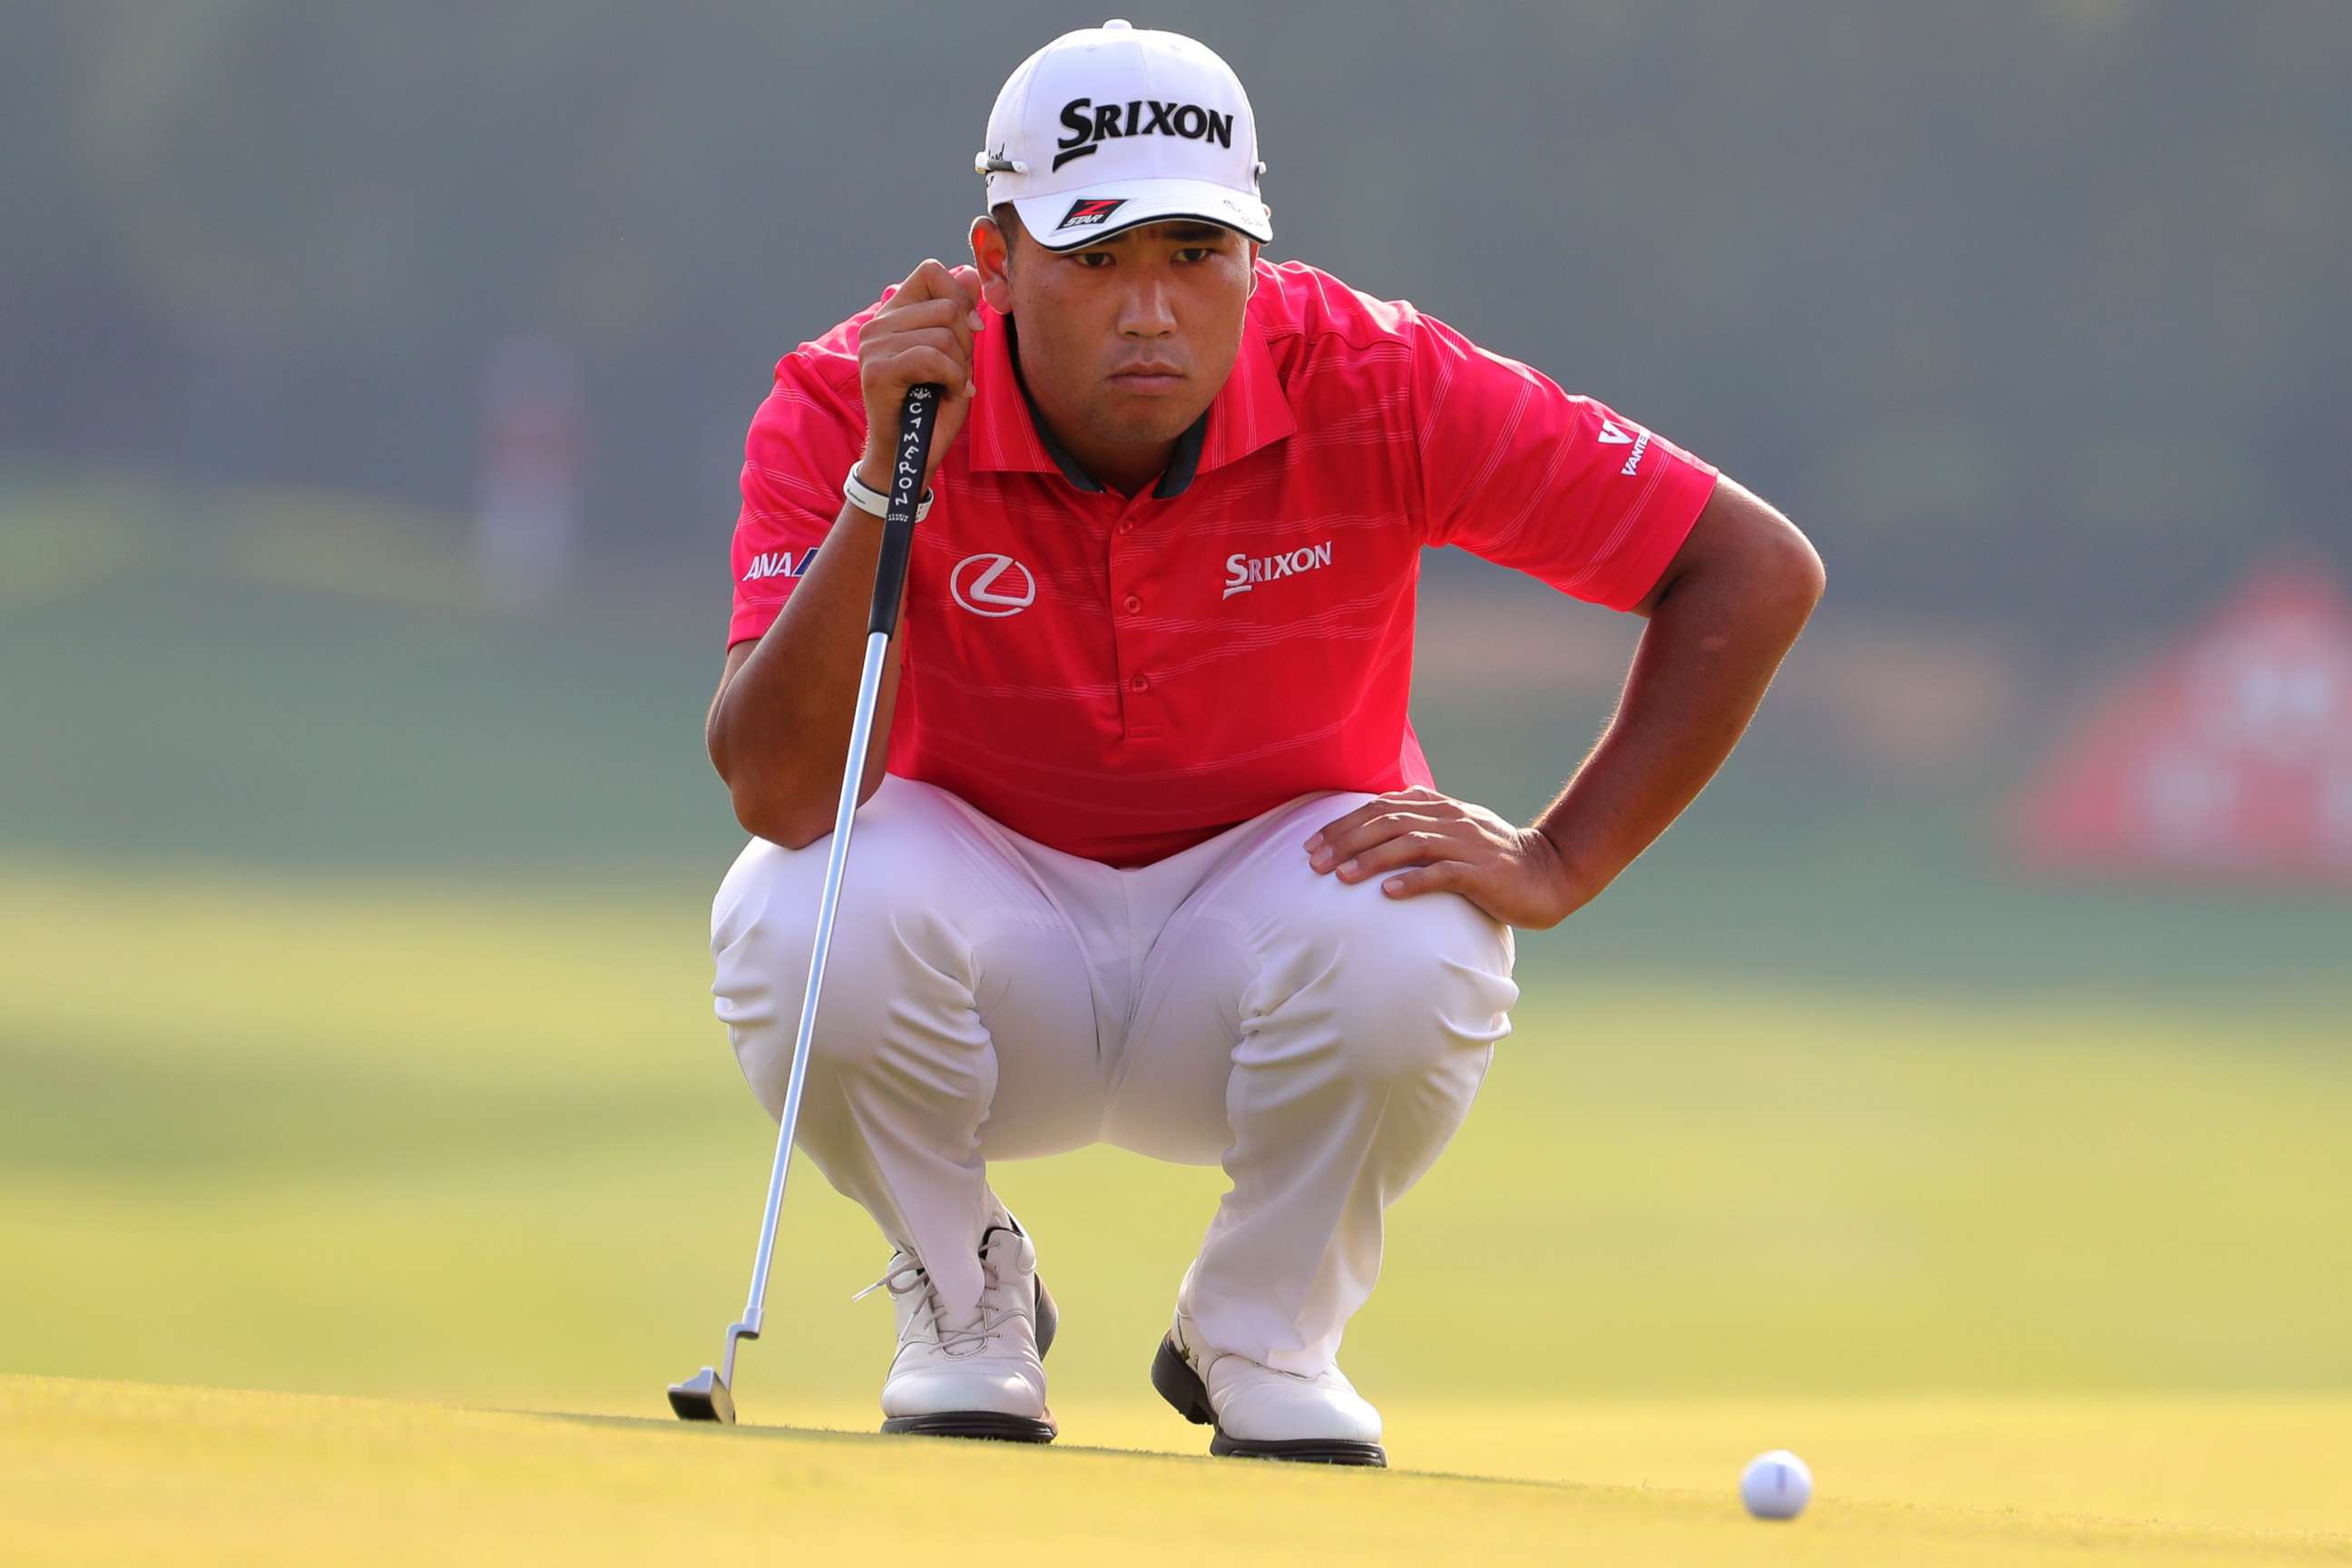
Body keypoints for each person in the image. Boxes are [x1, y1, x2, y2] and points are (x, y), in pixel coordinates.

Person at [706, 19, 1822, 1466]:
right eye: (1095, 259)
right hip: (983, 943)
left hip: (1263, 948)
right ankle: (966, 1303)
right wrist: (883, 481)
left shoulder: (1375, 375)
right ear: (995, 262)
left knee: (1429, 937)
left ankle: (1261, 1331)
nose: (1153, 310)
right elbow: (782, 791)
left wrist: (1562, 859)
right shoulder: (859, 396)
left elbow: (1749, 568)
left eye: (1196, 253)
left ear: (1255, 252)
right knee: (796, 911)